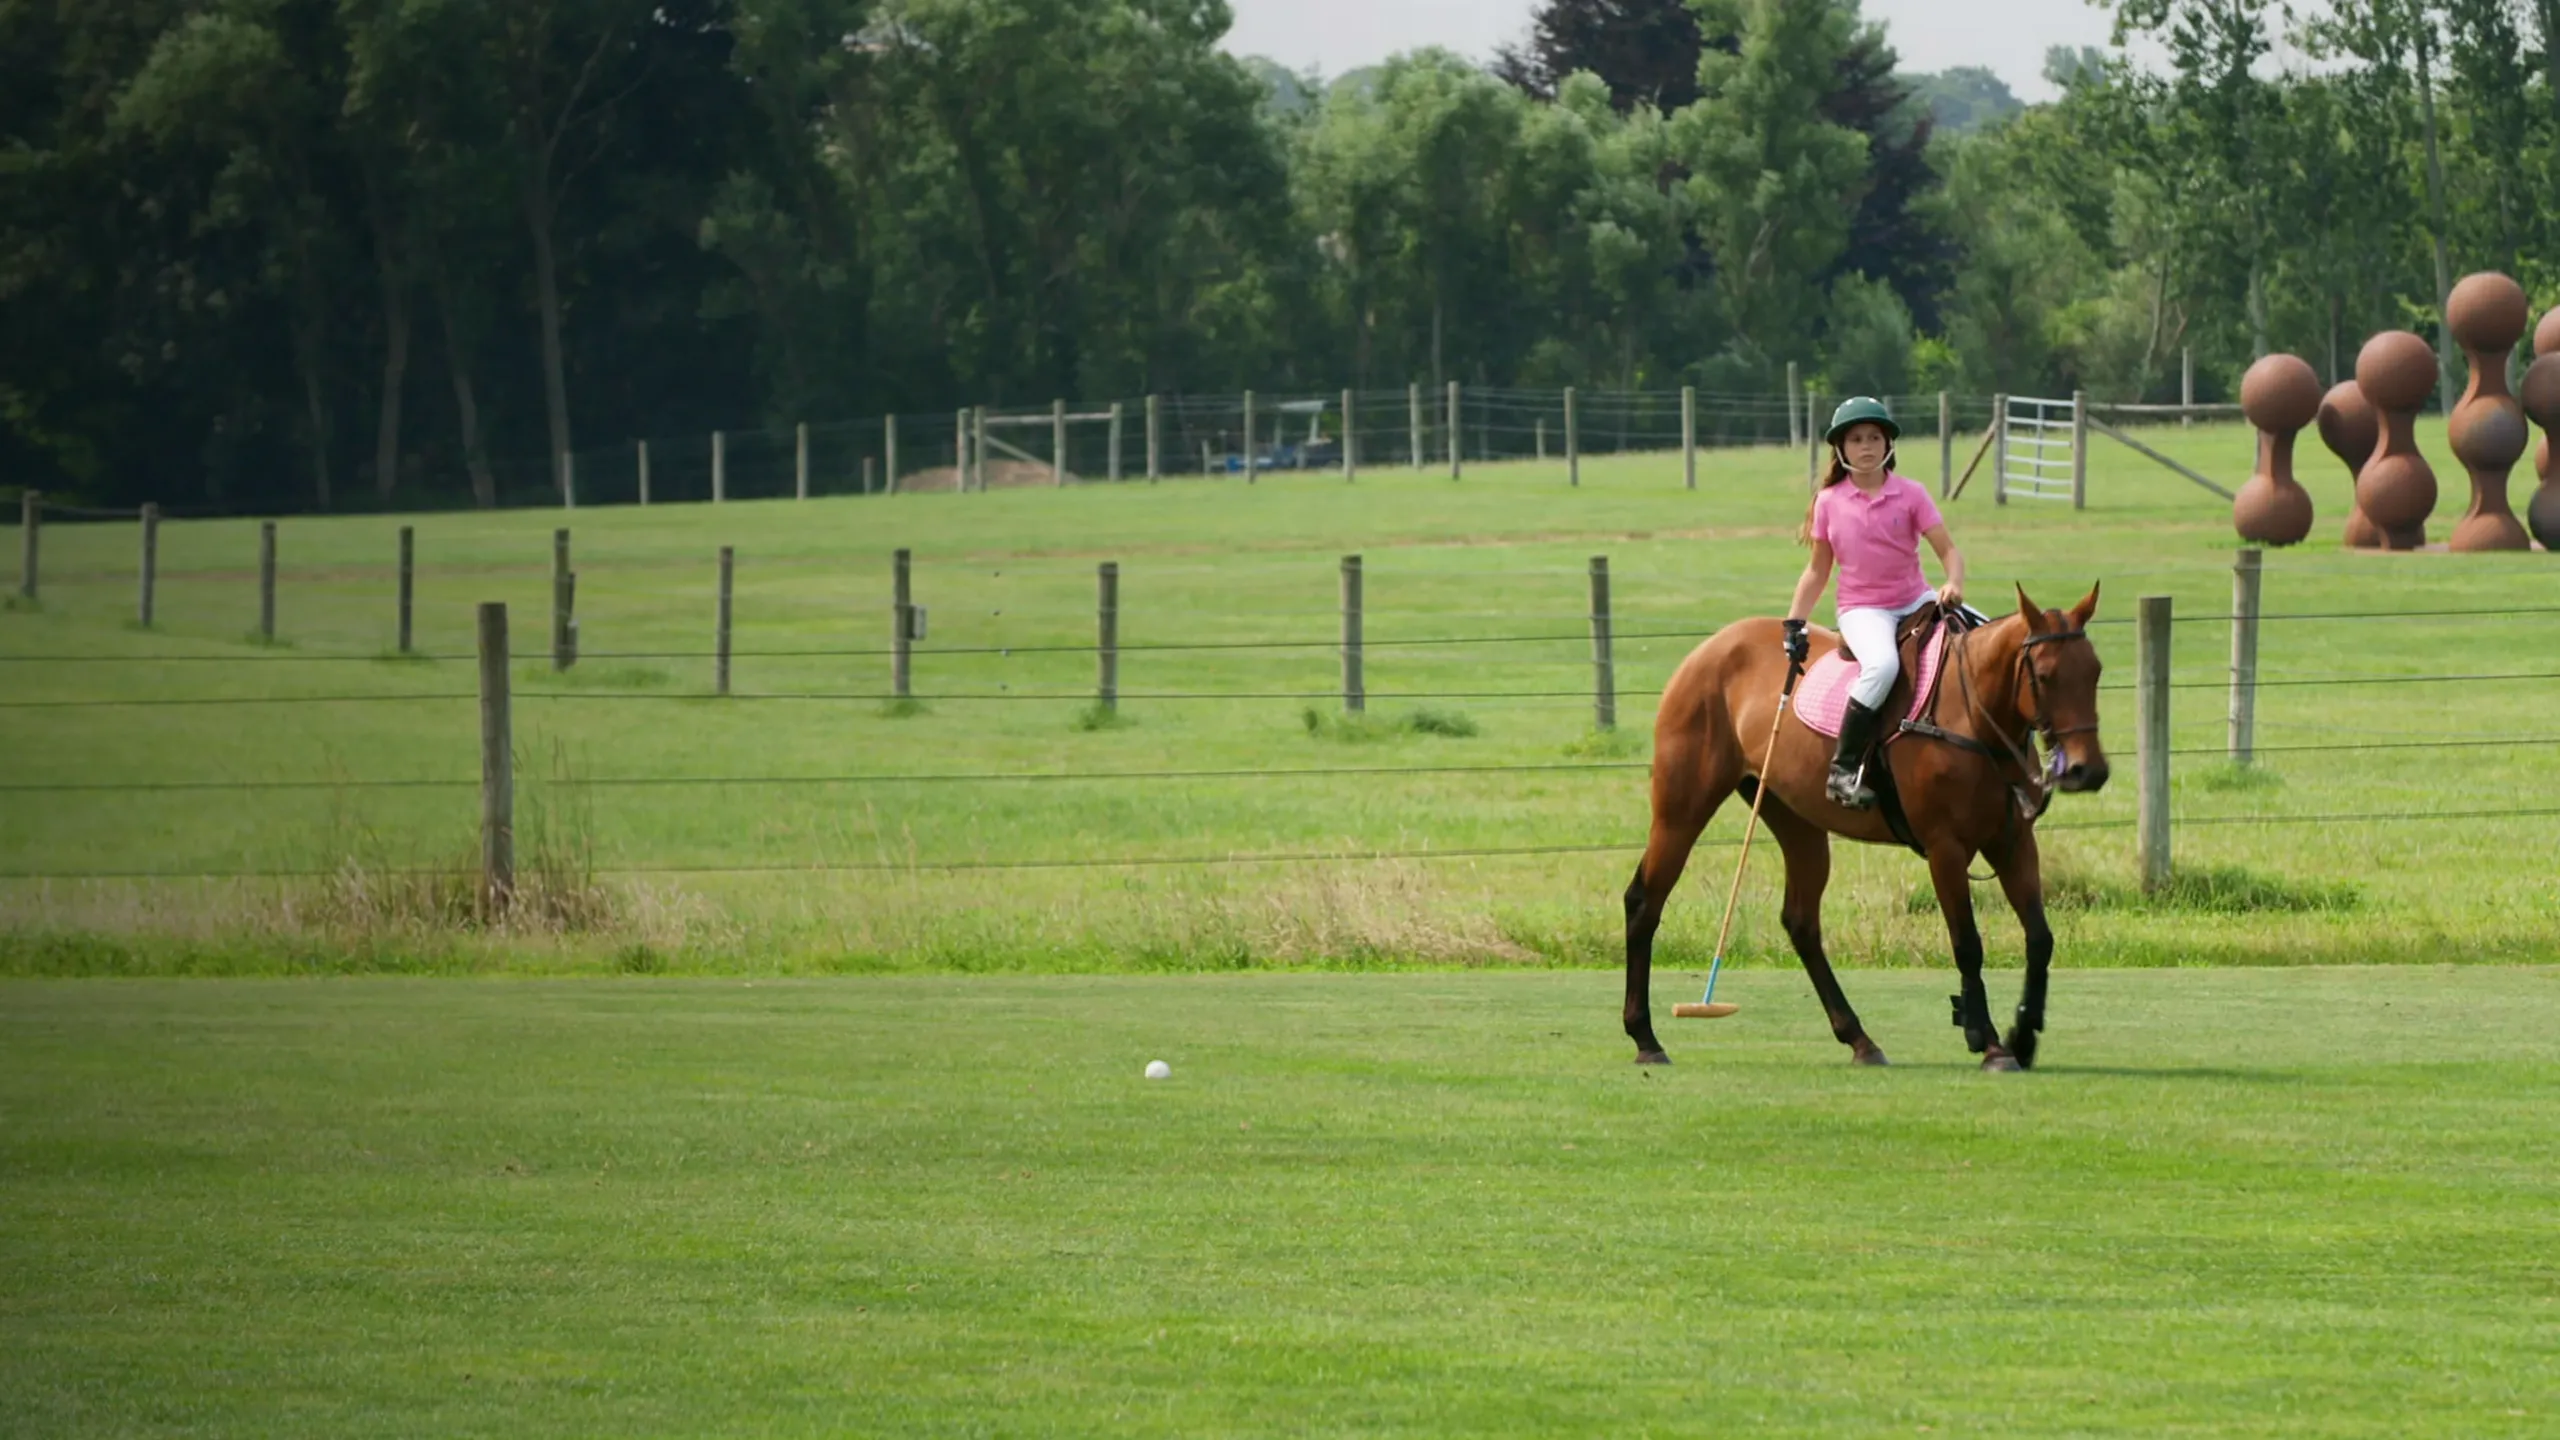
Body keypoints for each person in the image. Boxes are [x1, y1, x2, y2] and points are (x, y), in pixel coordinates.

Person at [1781, 396, 1967, 810]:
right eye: (1856, 439)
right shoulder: (1829, 503)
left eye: (1874, 438)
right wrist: (1795, 623)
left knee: (1985, 640)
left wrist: (1953, 583)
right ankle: (1843, 771)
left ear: (1888, 445)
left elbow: (1949, 551)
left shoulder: (1912, 494)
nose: (1866, 446)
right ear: (1841, 450)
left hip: (1916, 599)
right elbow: (1817, 571)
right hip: (1864, 611)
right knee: (1882, 666)